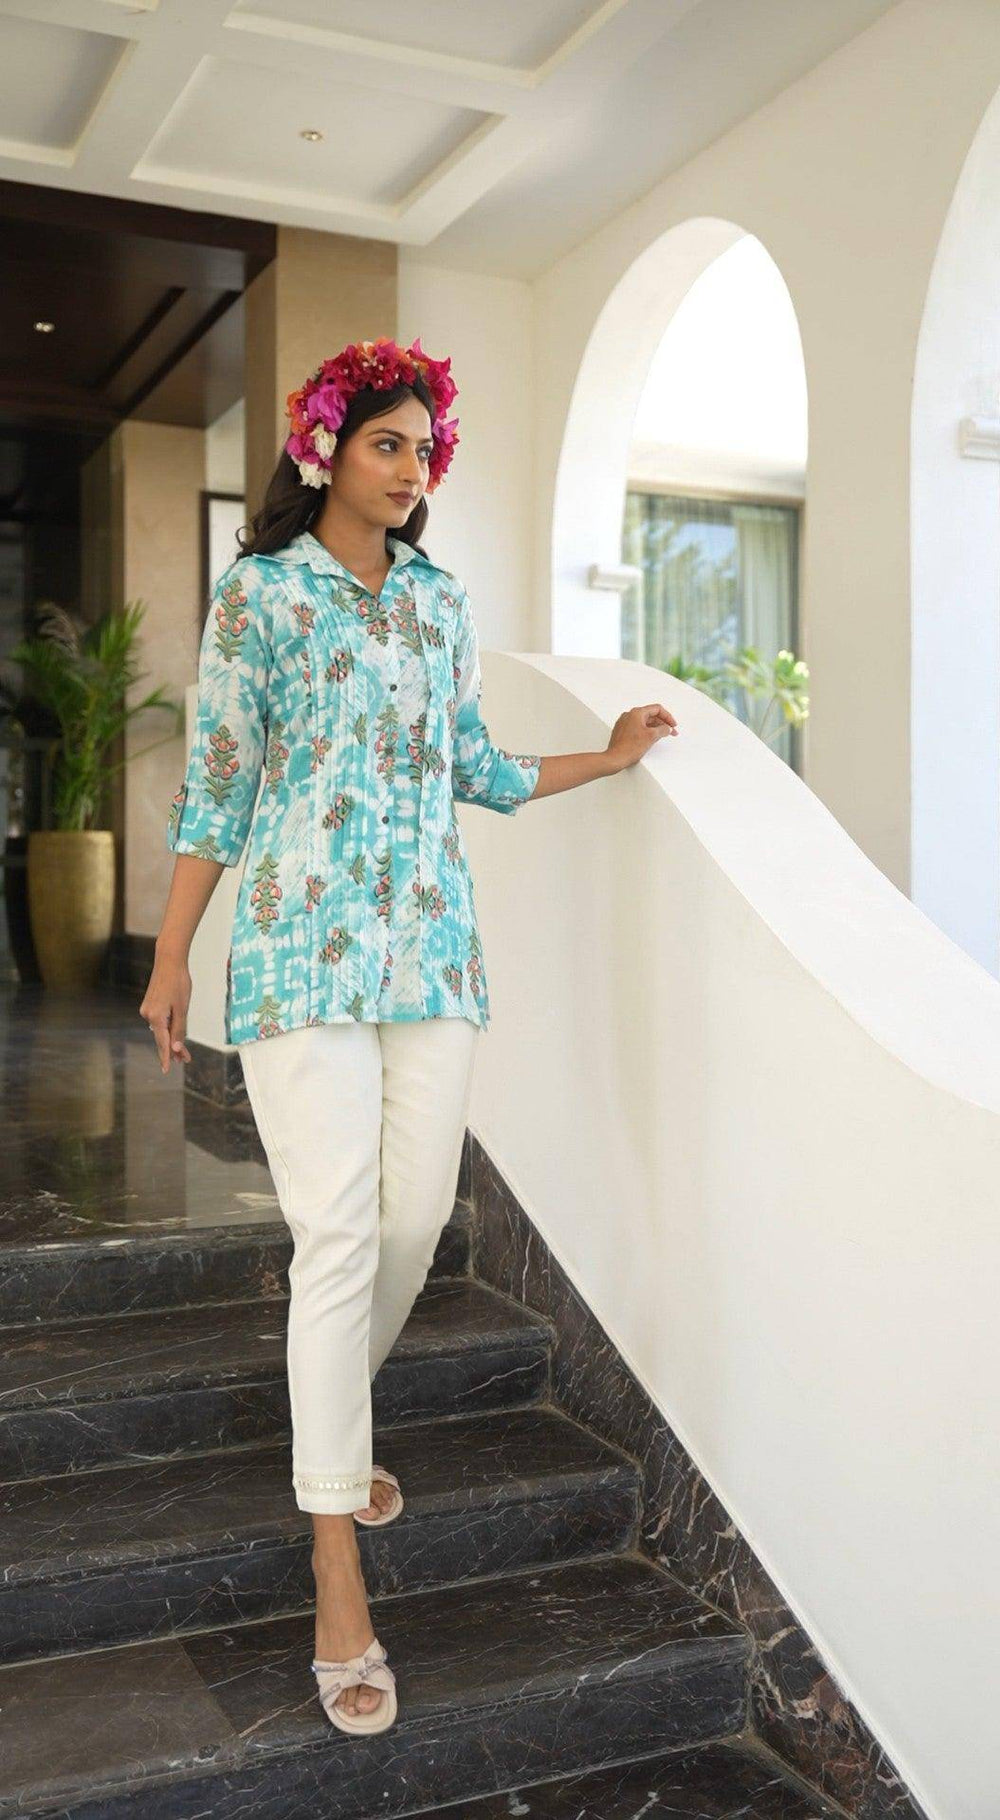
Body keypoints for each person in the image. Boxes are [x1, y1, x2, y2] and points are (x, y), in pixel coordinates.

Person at [140, 336, 678, 1736]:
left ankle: (332, 1415)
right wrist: (171, 954)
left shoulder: (439, 602)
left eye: (424, 447)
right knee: (338, 1234)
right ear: (326, 448)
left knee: (413, 1223)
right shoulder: (260, 595)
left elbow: (475, 766)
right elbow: (218, 786)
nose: (413, 465)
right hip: (297, 956)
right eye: (389, 441)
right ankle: (337, 1561)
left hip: (431, 954)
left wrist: (610, 758)